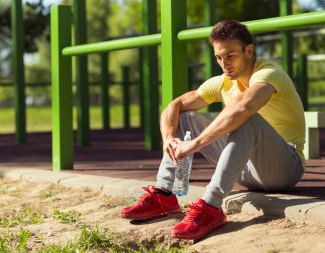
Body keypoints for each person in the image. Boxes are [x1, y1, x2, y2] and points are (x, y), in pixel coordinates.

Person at [121, 20, 305, 241]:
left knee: (246, 118)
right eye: (219, 57)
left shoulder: (269, 73)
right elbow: (174, 106)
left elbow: (243, 107)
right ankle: (163, 195)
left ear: (249, 51)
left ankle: (211, 207)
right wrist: (168, 138)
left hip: (284, 168)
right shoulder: (222, 82)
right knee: (185, 115)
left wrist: (195, 144)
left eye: (230, 56)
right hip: (246, 170)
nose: (224, 63)